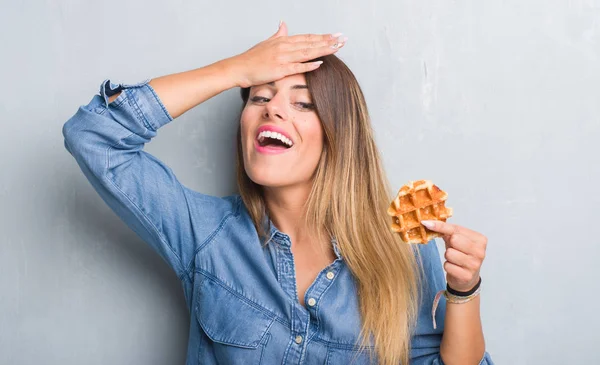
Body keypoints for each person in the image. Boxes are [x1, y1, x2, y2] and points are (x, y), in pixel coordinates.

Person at [62, 20, 494, 365]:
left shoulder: (399, 246)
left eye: (303, 103)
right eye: (258, 97)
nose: (272, 107)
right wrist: (233, 70)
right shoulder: (206, 234)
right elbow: (93, 135)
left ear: (337, 134)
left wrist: (464, 290)